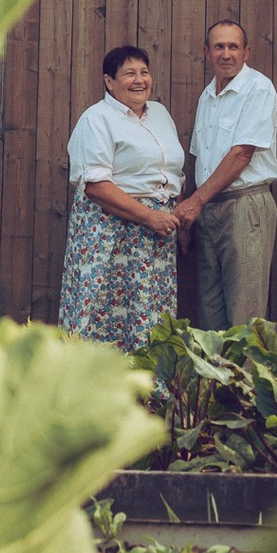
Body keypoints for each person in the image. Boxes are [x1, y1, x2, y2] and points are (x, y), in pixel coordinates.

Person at [59, 44, 184, 349]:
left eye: (144, 71)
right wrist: (149, 216)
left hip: (155, 236)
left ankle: (148, 391)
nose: (139, 79)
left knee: (150, 310)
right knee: (104, 311)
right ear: (109, 81)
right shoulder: (97, 119)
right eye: (129, 73)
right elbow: (96, 186)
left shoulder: (161, 115)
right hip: (112, 233)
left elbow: (171, 173)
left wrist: (175, 218)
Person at [174, 18, 277, 327]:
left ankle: (244, 377)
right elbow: (200, 159)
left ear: (246, 51)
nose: (226, 54)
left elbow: (241, 155)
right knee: (210, 312)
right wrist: (193, 215)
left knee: (244, 314)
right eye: (219, 47)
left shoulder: (258, 89)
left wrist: (194, 203)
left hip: (245, 207)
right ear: (206, 52)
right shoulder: (207, 97)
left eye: (233, 46)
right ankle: (215, 377)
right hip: (209, 211)